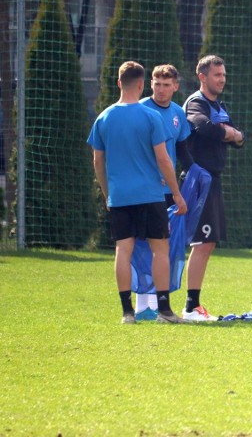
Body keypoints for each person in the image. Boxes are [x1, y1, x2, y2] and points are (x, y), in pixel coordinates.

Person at [87, 61, 187, 324]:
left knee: (123, 249)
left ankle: (127, 312)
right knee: (160, 250)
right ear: (143, 84)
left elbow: (98, 161)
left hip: (120, 196)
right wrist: (176, 192)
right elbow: (164, 160)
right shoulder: (150, 116)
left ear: (118, 83)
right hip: (151, 195)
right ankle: (164, 311)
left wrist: (108, 192)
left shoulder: (104, 117)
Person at [182, 55, 245, 322]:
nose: (222, 79)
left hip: (214, 180)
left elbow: (238, 135)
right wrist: (228, 134)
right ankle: (190, 307)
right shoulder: (196, 102)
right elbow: (203, 127)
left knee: (208, 243)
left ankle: (193, 305)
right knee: (202, 242)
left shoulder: (218, 104)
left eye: (223, 75)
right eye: (217, 75)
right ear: (202, 77)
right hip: (200, 180)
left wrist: (233, 135)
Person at [133, 64, 195, 320]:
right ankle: (141, 305)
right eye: (157, 84)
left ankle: (159, 305)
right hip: (143, 189)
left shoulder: (178, 114)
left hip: (167, 190)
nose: (161, 89)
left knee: (164, 247)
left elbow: (181, 150)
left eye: (166, 85)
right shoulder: (140, 110)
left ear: (175, 87)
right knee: (141, 245)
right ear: (150, 85)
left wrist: (195, 173)